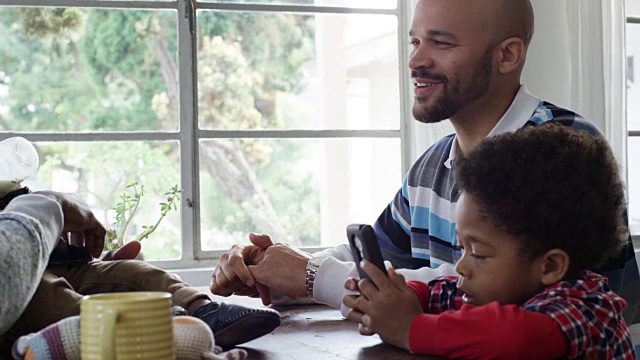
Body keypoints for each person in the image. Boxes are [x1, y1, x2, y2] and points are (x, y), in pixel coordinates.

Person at [209, 0, 640, 323]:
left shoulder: (561, 150)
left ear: (507, 55)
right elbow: (374, 263)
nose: (416, 60)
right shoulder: (434, 164)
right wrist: (271, 271)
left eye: (441, 42)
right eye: (415, 41)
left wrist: (311, 277)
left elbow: (495, 300)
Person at [342, 123, 635, 359]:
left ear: (550, 266)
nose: (461, 267)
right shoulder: (499, 288)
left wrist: (407, 327)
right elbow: (436, 293)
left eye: (478, 254)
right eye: (462, 248)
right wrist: (393, 299)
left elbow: (512, 337)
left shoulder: (582, 308)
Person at [0, 188, 281, 357]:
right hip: (19, 286)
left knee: (130, 272)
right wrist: (49, 204)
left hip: (43, 260)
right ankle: (146, 332)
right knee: (49, 293)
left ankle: (201, 312)